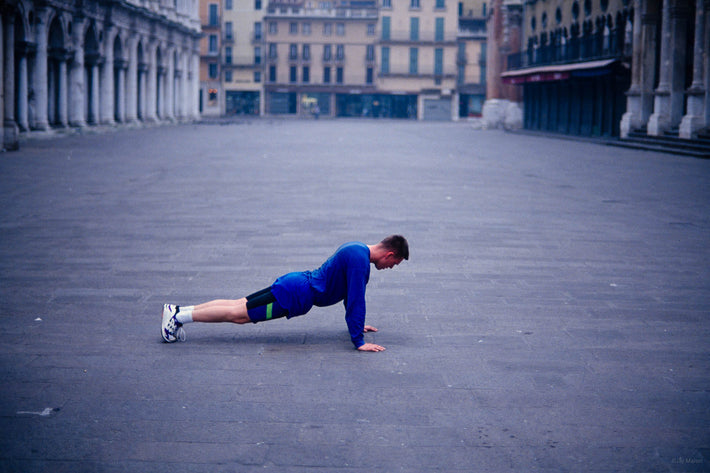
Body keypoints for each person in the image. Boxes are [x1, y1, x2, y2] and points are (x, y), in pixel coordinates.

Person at [161, 235, 409, 352]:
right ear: (390, 255)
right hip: (295, 294)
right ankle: (177, 317)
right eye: (394, 264)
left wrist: (358, 325)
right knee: (239, 314)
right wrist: (359, 342)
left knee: (239, 304)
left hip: (294, 285)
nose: (390, 268)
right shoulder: (359, 261)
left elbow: (348, 295)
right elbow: (356, 298)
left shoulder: (357, 250)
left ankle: (179, 312)